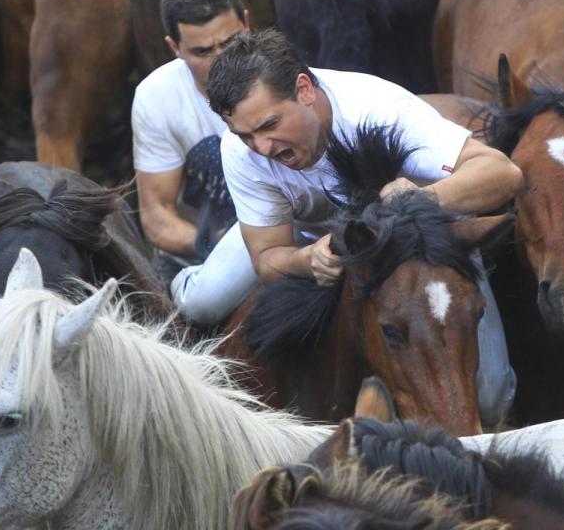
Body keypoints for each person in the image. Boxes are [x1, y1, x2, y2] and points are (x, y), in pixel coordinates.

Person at [173, 29, 524, 423]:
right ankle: (179, 275)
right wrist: (308, 259)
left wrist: (423, 200)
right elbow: (267, 255)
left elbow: (503, 173)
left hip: (424, 239)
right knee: (200, 302)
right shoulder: (241, 150)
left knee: (492, 397)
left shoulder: (376, 111)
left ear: (304, 89)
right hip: (312, 233)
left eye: (270, 124)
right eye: (246, 135)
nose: (263, 148)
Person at [132, 0, 251, 294]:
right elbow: (157, 216)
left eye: (230, 42)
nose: (221, 59)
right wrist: (219, 245)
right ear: (174, 47)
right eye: (202, 51)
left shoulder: (285, 78)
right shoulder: (156, 97)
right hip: (200, 256)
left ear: (247, 23)